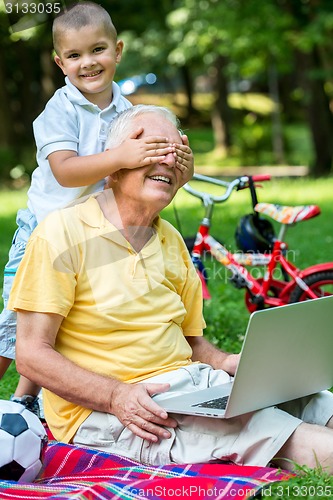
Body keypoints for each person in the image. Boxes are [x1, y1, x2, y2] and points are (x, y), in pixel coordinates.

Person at [8, 104, 333, 473]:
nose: (166, 161)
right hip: (120, 411)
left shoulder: (172, 239)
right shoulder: (60, 233)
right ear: (113, 165)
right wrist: (116, 396)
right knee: (274, 431)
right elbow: (32, 353)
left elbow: (192, 343)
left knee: (316, 401)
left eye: (174, 152)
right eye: (151, 149)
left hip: (193, 387)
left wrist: (228, 364)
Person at [0, 1, 193, 415]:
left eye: (98, 50)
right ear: (60, 63)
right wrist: (124, 154)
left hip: (95, 231)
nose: (88, 63)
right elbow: (66, 172)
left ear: (118, 52)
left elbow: (144, 174)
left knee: (62, 317)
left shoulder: (129, 112)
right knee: (15, 325)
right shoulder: (60, 110)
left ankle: (25, 403)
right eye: (74, 55)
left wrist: (180, 166)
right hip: (44, 230)